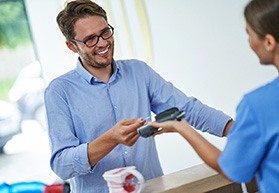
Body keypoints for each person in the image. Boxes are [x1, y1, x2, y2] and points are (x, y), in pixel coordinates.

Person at [44, 0, 233, 192]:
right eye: (90, 39)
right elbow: (62, 165)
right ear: (72, 46)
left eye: (105, 32)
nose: (103, 43)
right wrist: (110, 139)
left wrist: (236, 130)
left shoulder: (138, 71)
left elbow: (187, 109)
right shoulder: (59, 91)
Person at [149, 0, 279, 192]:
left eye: (249, 34)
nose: (249, 42)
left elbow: (232, 170)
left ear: (268, 42)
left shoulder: (258, 105)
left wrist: (181, 127)